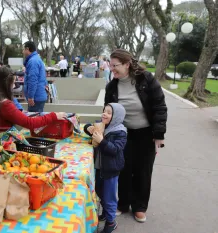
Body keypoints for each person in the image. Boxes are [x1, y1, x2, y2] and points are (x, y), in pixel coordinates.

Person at [104, 49, 167, 223]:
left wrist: (159, 134)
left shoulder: (146, 79)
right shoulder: (111, 86)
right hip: (122, 134)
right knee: (123, 169)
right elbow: (108, 110)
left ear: (127, 64)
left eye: (115, 66)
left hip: (146, 133)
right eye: (110, 65)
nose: (112, 69)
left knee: (143, 170)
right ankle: (123, 203)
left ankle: (140, 206)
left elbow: (159, 106)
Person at [0, 66, 66, 134]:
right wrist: (53, 116)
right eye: (13, 83)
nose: (14, 86)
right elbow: (29, 123)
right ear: (7, 83)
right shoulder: (5, 104)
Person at [84, 103, 127, 233]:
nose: (104, 114)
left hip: (110, 170)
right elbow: (86, 126)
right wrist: (89, 128)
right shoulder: (103, 126)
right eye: (104, 111)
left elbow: (115, 150)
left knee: (109, 197)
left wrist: (102, 141)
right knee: (99, 191)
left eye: (109, 112)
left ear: (116, 117)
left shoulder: (120, 132)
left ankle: (111, 222)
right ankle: (105, 213)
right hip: (100, 167)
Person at [22, 41, 47, 112]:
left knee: (34, 121)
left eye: (23, 49)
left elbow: (32, 80)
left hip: (36, 98)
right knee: (37, 119)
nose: (23, 52)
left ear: (27, 49)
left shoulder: (33, 61)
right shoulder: (36, 59)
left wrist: (31, 97)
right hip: (39, 96)